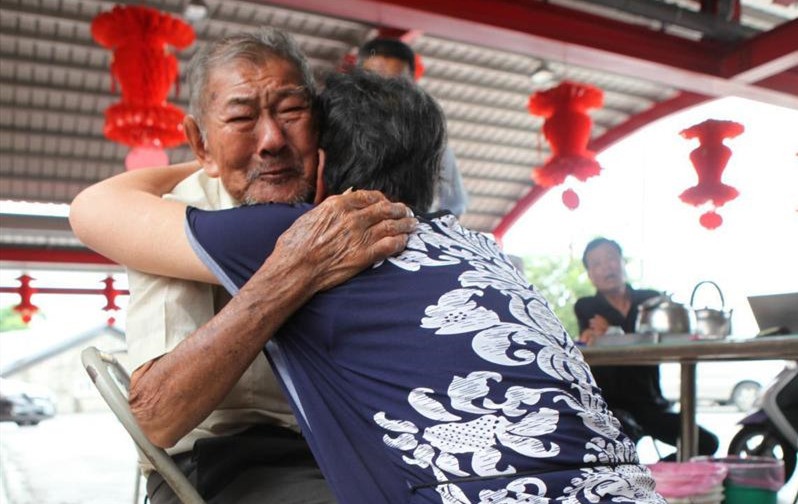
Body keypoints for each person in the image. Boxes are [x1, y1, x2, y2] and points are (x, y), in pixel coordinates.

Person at [75, 69, 666, 503]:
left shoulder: (302, 232)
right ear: (434, 169)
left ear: (322, 167)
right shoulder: (483, 247)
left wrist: (214, 158)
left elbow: (96, 208)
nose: (272, 143)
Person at [71, 29, 417, 504]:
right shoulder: (175, 217)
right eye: (240, 118)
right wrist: (293, 271)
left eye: (292, 112)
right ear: (200, 143)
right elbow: (160, 416)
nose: (273, 139)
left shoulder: (352, 197)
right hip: (231, 458)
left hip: (355, 445)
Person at [574, 237, 719, 459]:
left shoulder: (651, 299)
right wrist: (630, 333)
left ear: (623, 262)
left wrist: (613, 331)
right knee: (616, 453)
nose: (607, 268)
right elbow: (600, 337)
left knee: (706, 443)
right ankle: (639, 483)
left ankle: (658, 478)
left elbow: (663, 337)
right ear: (591, 275)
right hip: (610, 405)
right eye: (597, 264)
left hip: (650, 404)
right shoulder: (586, 305)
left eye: (611, 259)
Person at [358, 37, 469, 217]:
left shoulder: (433, 145)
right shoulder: (333, 133)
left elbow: (454, 206)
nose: (383, 94)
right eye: (373, 83)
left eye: (395, 85)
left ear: (412, 87)